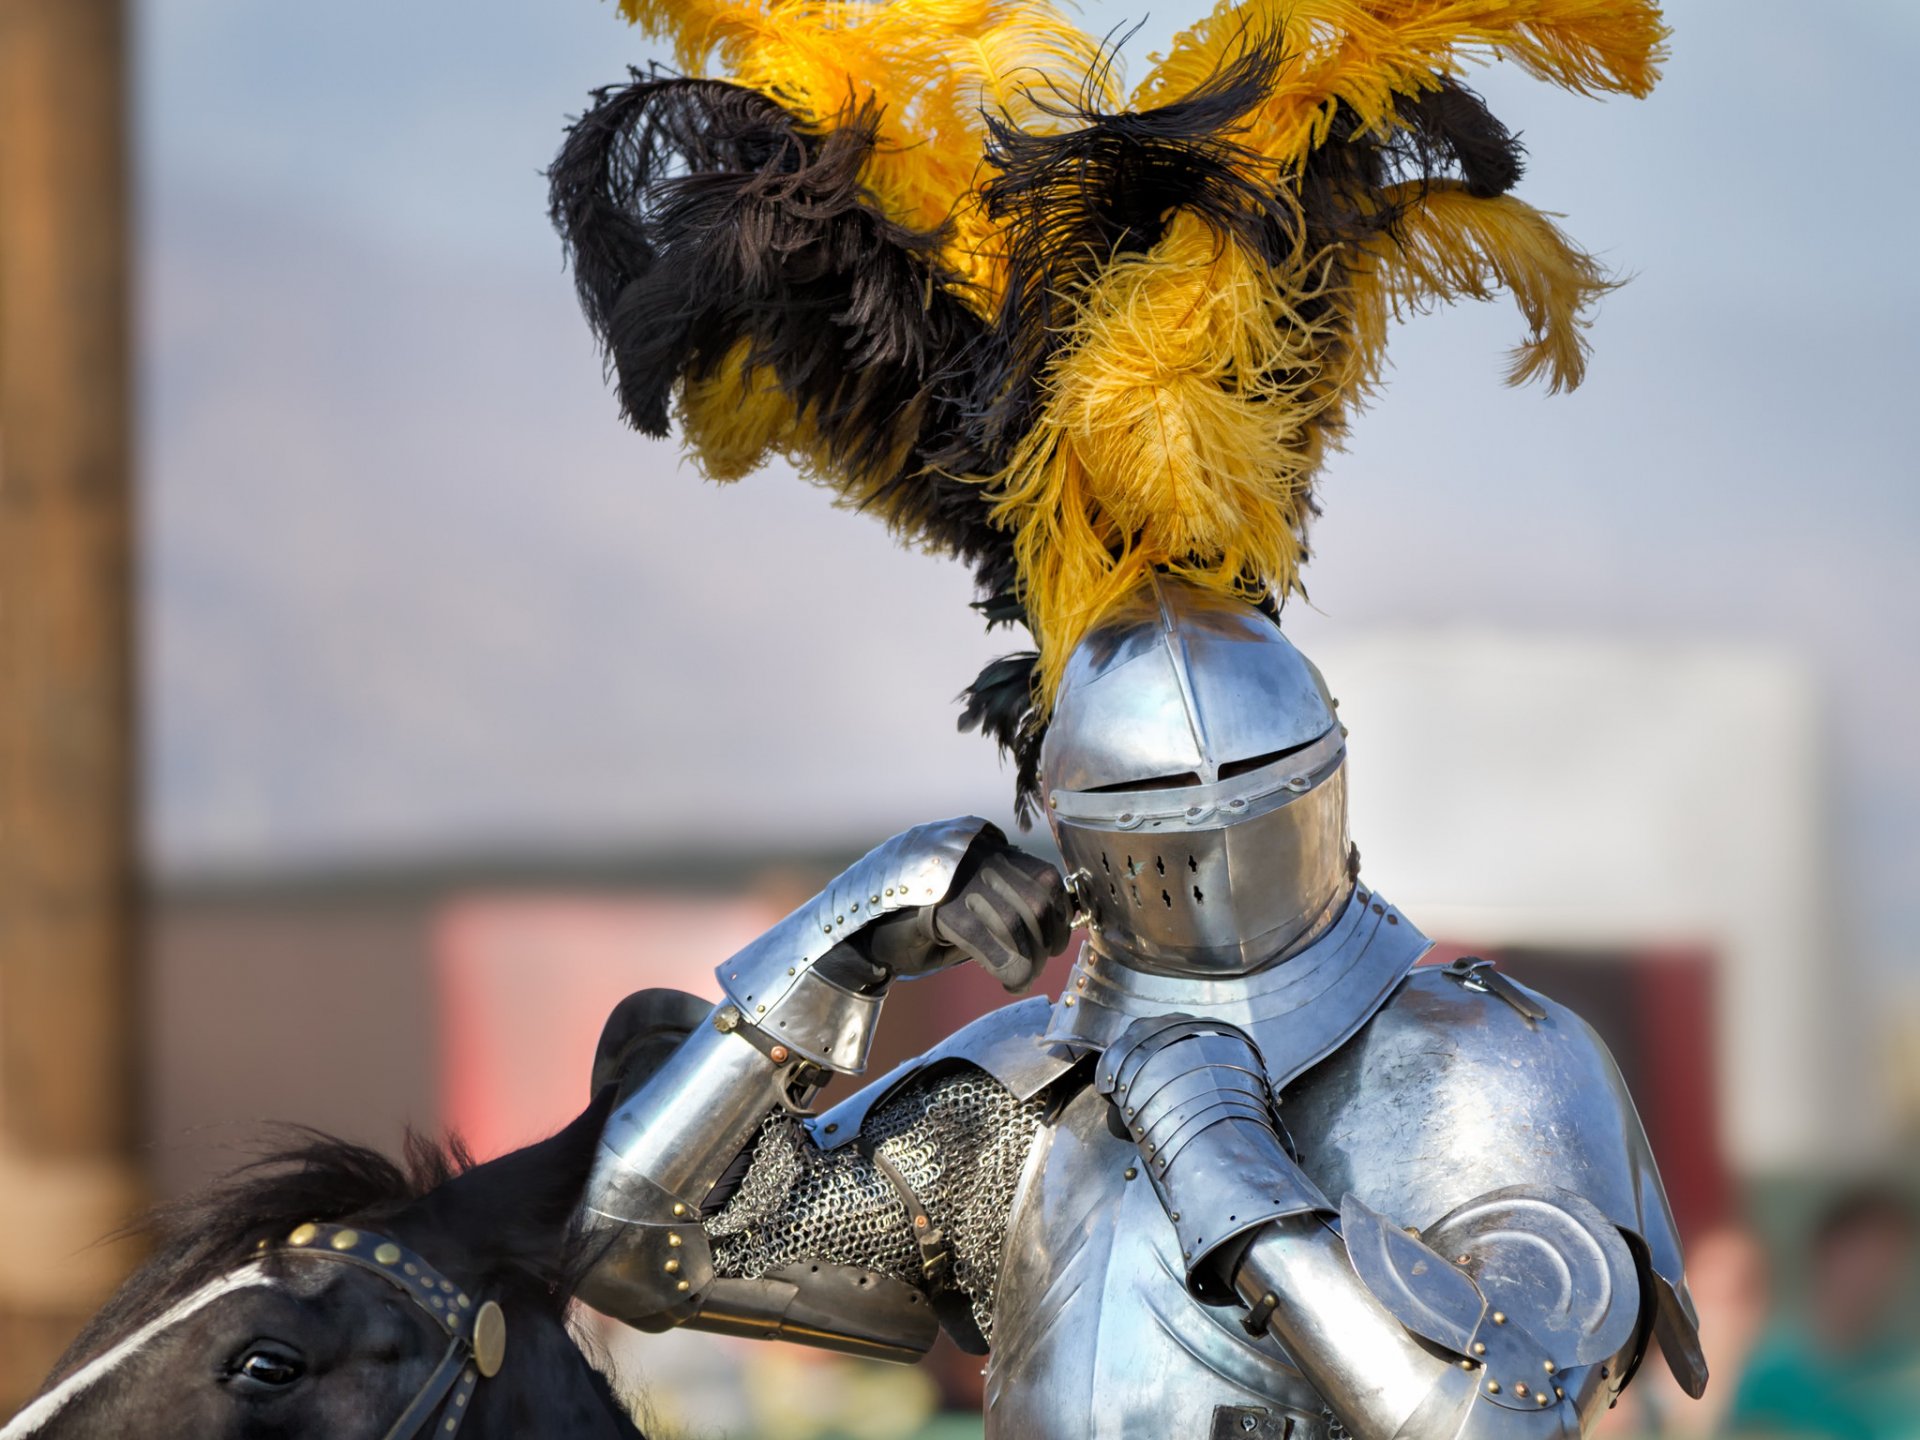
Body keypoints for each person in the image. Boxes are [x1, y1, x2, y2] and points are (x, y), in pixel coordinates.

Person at [543, 0, 1697, 1433]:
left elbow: (1510, 1414)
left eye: (1225, 817)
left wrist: (1225, 1166)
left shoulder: (1482, 1069)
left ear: (1311, 789)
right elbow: (639, 1247)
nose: (1195, 863)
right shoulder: (1022, 1097)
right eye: (1156, 831)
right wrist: (839, 944)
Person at [1727, 1188, 1920, 1440]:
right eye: (1861, 1252)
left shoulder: (1905, 1376)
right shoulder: (1769, 1371)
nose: (1873, 1274)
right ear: (1825, 1252)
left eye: (1889, 1258)